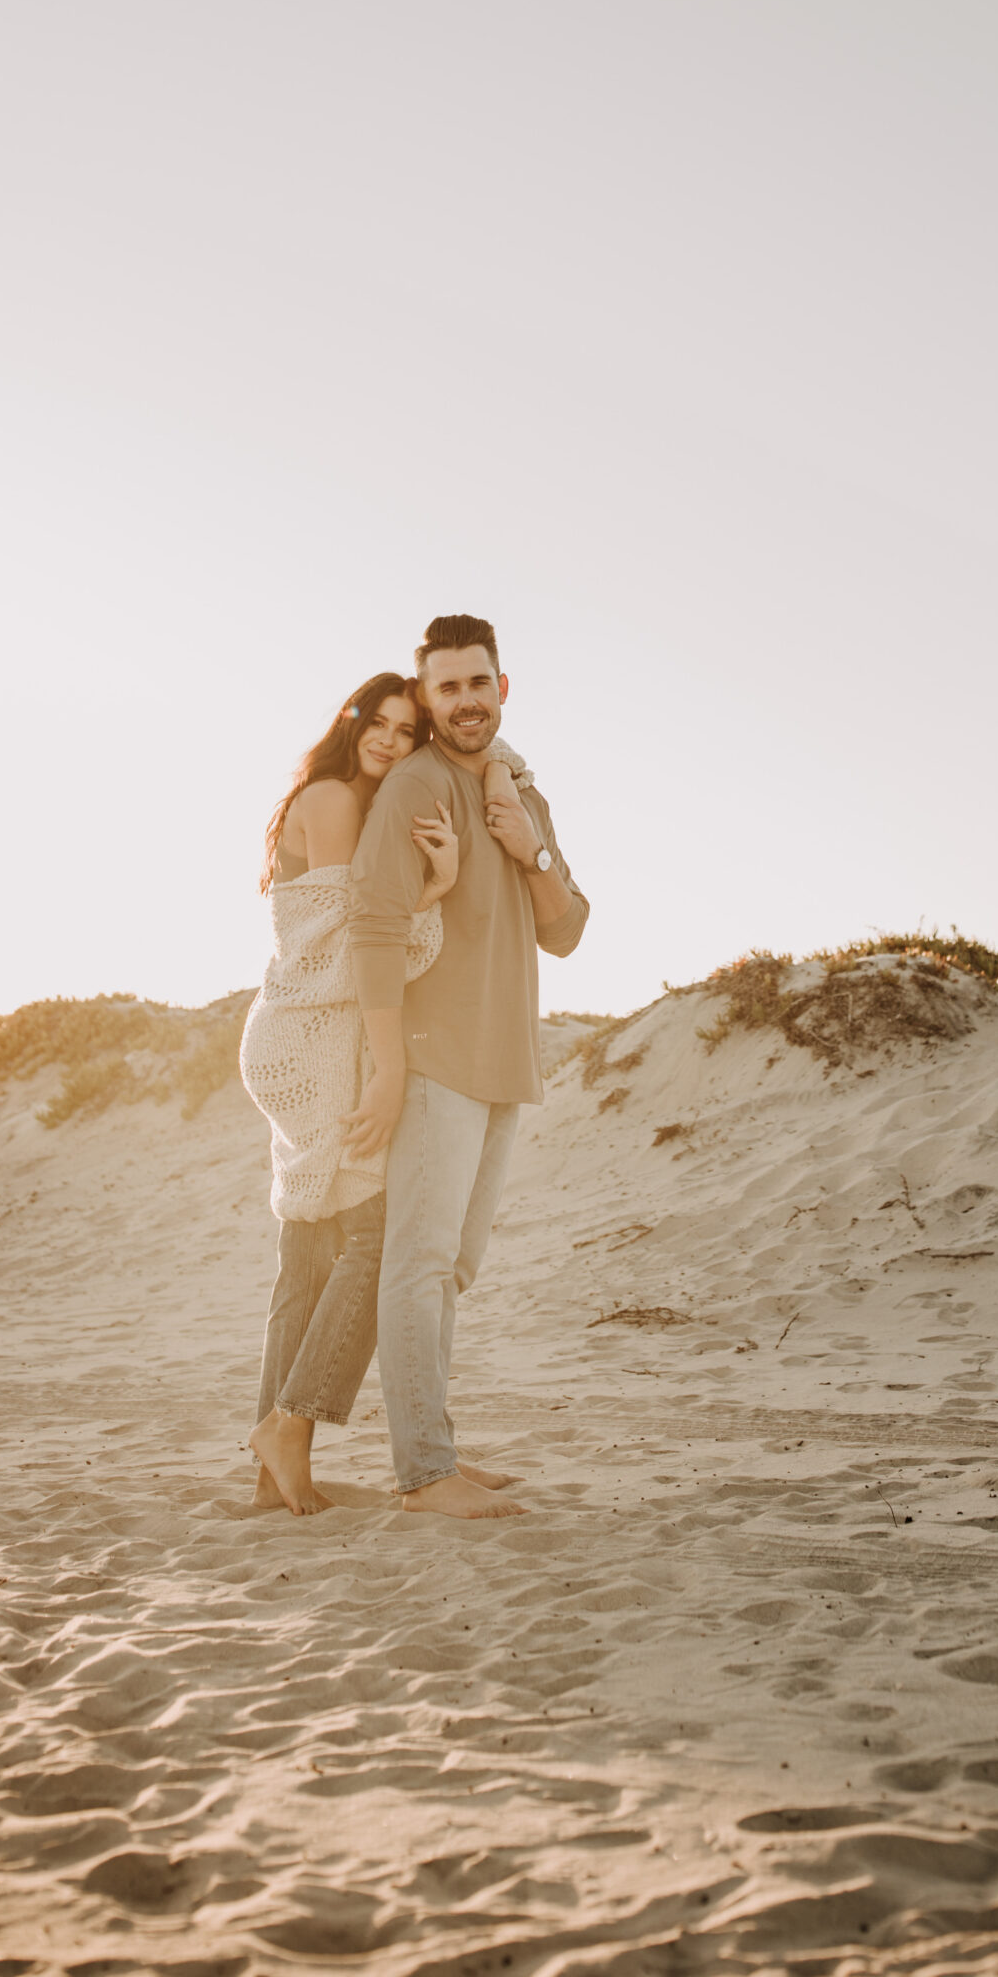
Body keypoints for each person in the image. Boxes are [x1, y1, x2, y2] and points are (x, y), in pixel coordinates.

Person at [240, 672, 527, 1514]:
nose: (390, 740)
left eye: (407, 731)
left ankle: (271, 1468)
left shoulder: (355, 804)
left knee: (308, 1254)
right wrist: (433, 896)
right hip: (314, 1038)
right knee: (372, 1237)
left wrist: (502, 773)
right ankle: (290, 1423)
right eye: (380, 720)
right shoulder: (332, 802)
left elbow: (488, 748)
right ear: (351, 719)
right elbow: (343, 957)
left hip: (297, 1034)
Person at [344, 612, 589, 1520]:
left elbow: (564, 929)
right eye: (445, 687)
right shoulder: (414, 785)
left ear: (502, 687)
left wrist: (529, 847)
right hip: (433, 1058)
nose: (465, 701)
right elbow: (371, 929)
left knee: (452, 1269)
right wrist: (385, 1070)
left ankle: (433, 1445)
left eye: (477, 683)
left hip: (504, 1059)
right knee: (417, 1264)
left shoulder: (518, 786)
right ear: (427, 696)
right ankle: (422, 1474)